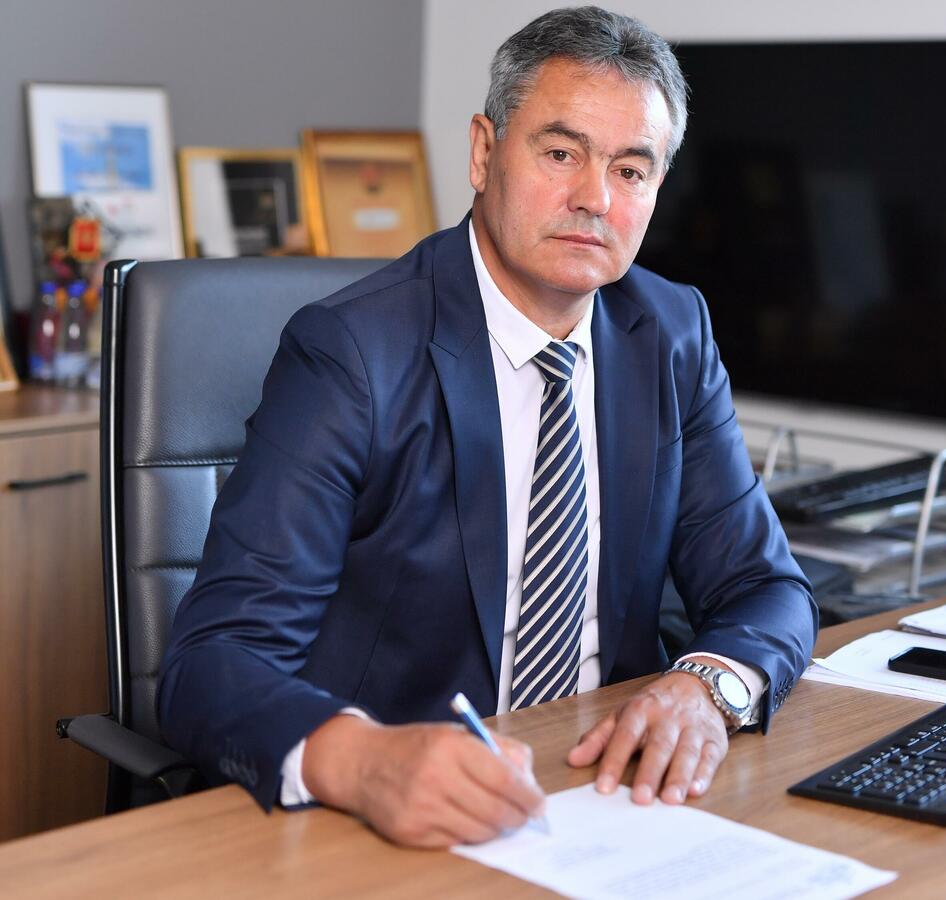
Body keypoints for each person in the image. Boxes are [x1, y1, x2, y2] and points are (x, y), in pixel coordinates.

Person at [158, 6, 817, 849]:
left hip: (605, 791)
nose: (594, 199)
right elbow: (213, 662)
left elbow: (766, 588)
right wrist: (362, 761)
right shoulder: (352, 354)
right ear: (483, 151)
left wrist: (706, 687)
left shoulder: (671, 332)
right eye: (561, 153)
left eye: (630, 169)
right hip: (398, 810)